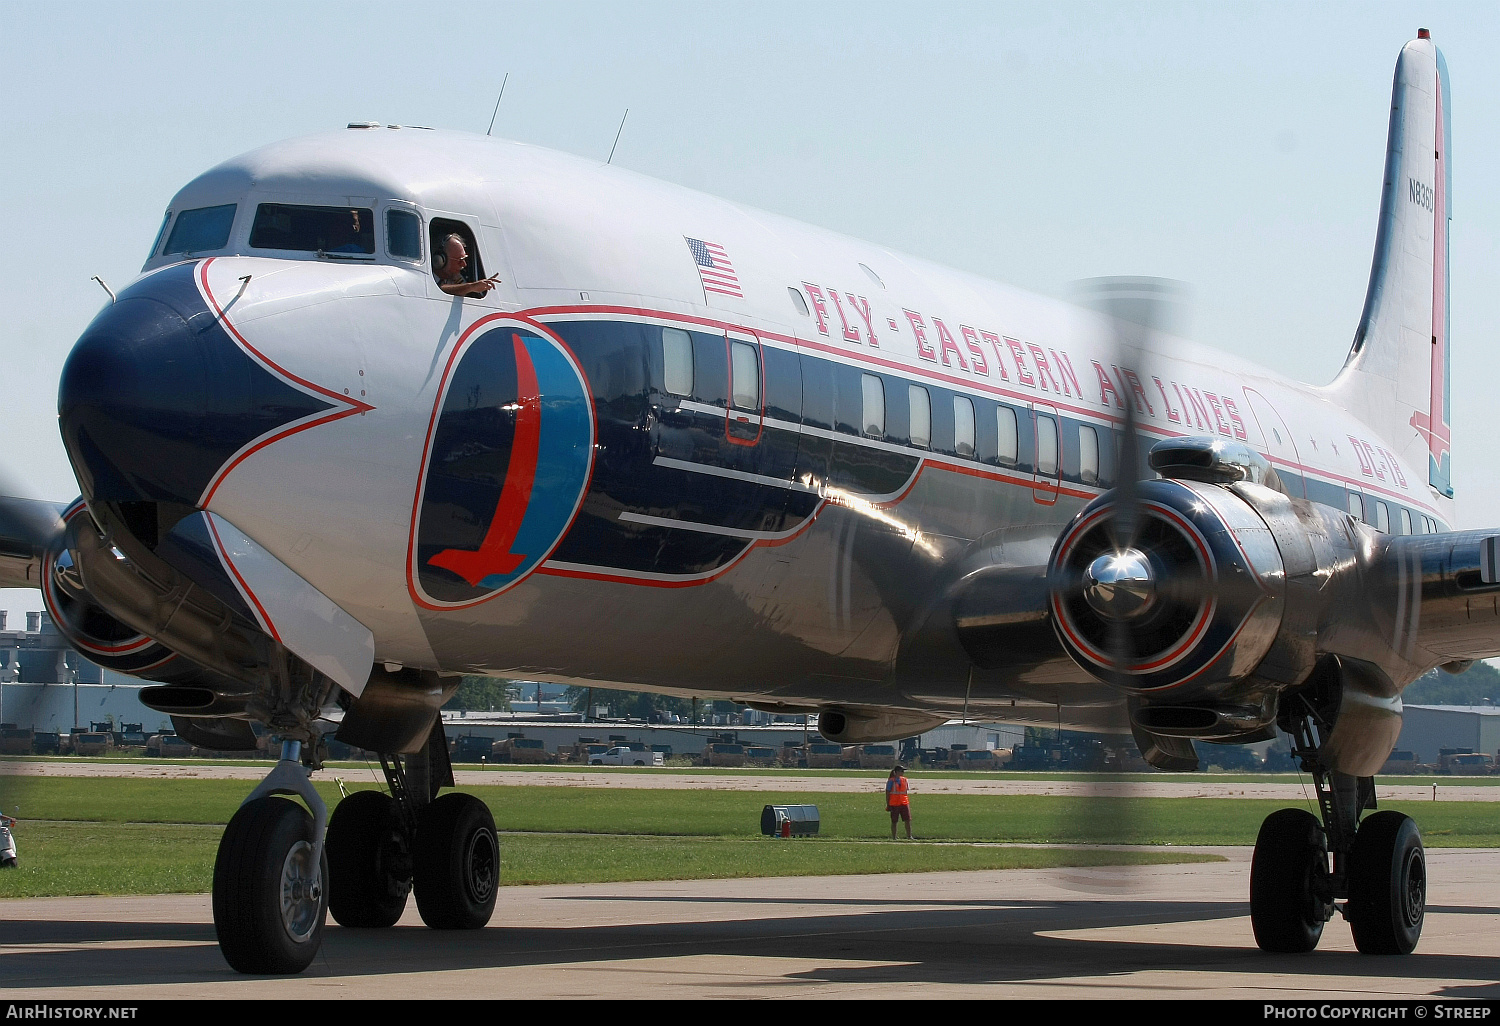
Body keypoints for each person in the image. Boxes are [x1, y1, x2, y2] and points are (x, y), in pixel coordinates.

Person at [434, 233, 499, 297]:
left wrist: (483, 286)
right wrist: (471, 287)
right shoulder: (428, 278)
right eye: (460, 260)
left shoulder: (456, 278)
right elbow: (438, 290)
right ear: (440, 260)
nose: (464, 264)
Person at [886, 765, 912, 840]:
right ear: (897, 772)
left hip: (904, 802)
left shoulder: (904, 780)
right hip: (894, 803)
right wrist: (888, 804)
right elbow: (887, 793)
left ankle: (909, 836)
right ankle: (894, 837)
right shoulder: (891, 781)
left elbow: (905, 791)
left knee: (908, 820)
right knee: (894, 821)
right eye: (901, 771)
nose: (903, 773)